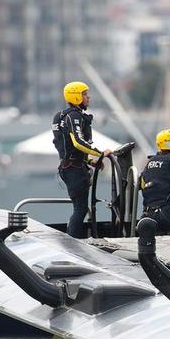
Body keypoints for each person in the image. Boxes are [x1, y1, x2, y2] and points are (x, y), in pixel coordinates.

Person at [52, 81, 112, 238]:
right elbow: (77, 142)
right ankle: (72, 242)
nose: (88, 97)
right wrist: (100, 154)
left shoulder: (64, 116)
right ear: (76, 97)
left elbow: (68, 148)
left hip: (71, 167)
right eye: (85, 94)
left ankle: (73, 239)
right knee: (81, 208)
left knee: (80, 207)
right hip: (73, 170)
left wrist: (90, 162)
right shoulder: (74, 116)